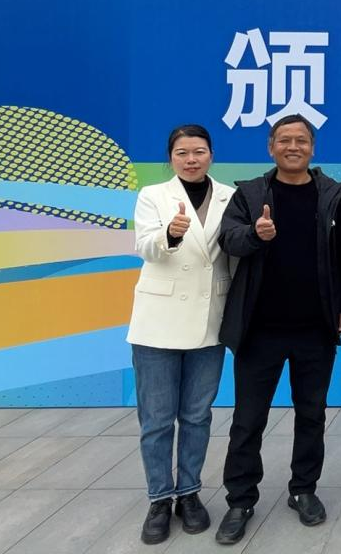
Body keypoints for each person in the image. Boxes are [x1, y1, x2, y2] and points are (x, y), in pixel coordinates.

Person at [214, 114, 341, 545]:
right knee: (248, 420)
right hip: (260, 329)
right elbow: (228, 240)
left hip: (315, 328)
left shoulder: (332, 195)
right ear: (270, 147)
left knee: (311, 415)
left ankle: (303, 490)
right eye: (284, 140)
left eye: (301, 140)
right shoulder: (249, 194)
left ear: (312, 147)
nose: (293, 147)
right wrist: (255, 234)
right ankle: (240, 499)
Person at [129, 125, 234, 545]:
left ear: (211, 154)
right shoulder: (152, 196)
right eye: (182, 152)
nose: (191, 159)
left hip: (210, 319)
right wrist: (169, 234)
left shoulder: (230, 196)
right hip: (158, 322)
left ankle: (189, 492)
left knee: (197, 415)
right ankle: (159, 498)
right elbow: (144, 246)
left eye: (199, 151)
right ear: (170, 157)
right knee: (156, 420)